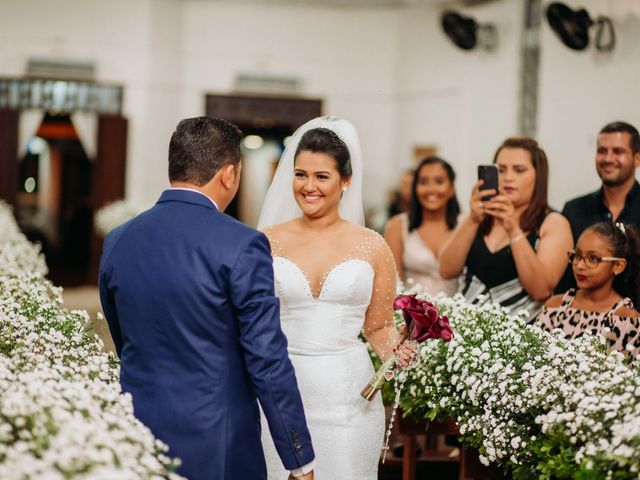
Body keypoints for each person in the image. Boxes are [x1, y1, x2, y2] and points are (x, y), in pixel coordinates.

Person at [99, 117, 315, 480]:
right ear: (229, 174)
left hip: (135, 436)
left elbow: (124, 339)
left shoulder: (118, 240)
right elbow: (267, 360)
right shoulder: (242, 245)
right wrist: (298, 457)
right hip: (218, 442)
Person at [257, 116, 414, 479]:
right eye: (300, 174)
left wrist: (398, 350)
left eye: (321, 176)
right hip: (281, 392)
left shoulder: (372, 246)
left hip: (348, 398)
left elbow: (378, 327)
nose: (308, 186)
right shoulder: (264, 242)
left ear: (345, 181)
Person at [439, 136, 573, 318]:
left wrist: (513, 230)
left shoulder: (553, 223)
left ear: (538, 176)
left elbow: (541, 290)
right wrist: (472, 219)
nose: (508, 178)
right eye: (501, 170)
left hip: (519, 334)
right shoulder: (478, 217)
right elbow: (446, 270)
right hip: (464, 330)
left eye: (519, 170)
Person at [557, 121, 640, 292]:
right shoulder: (573, 209)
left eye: (618, 151)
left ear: (637, 158)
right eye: (602, 151)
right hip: (582, 314)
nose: (608, 158)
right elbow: (563, 276)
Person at [536, 222, 640, 359]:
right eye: (577, 255)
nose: (580, 265)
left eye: (593, 259)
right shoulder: (554, 307)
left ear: (618, 266)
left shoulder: (626, 319)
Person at [384, 156, 460, 296]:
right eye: (423, 182)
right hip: (411, 314)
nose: (431, 189)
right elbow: (394, 284)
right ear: (415, 188)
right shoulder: (397, 226)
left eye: (439, 181)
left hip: (461, 314)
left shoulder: (464, 226)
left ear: (452, 188)